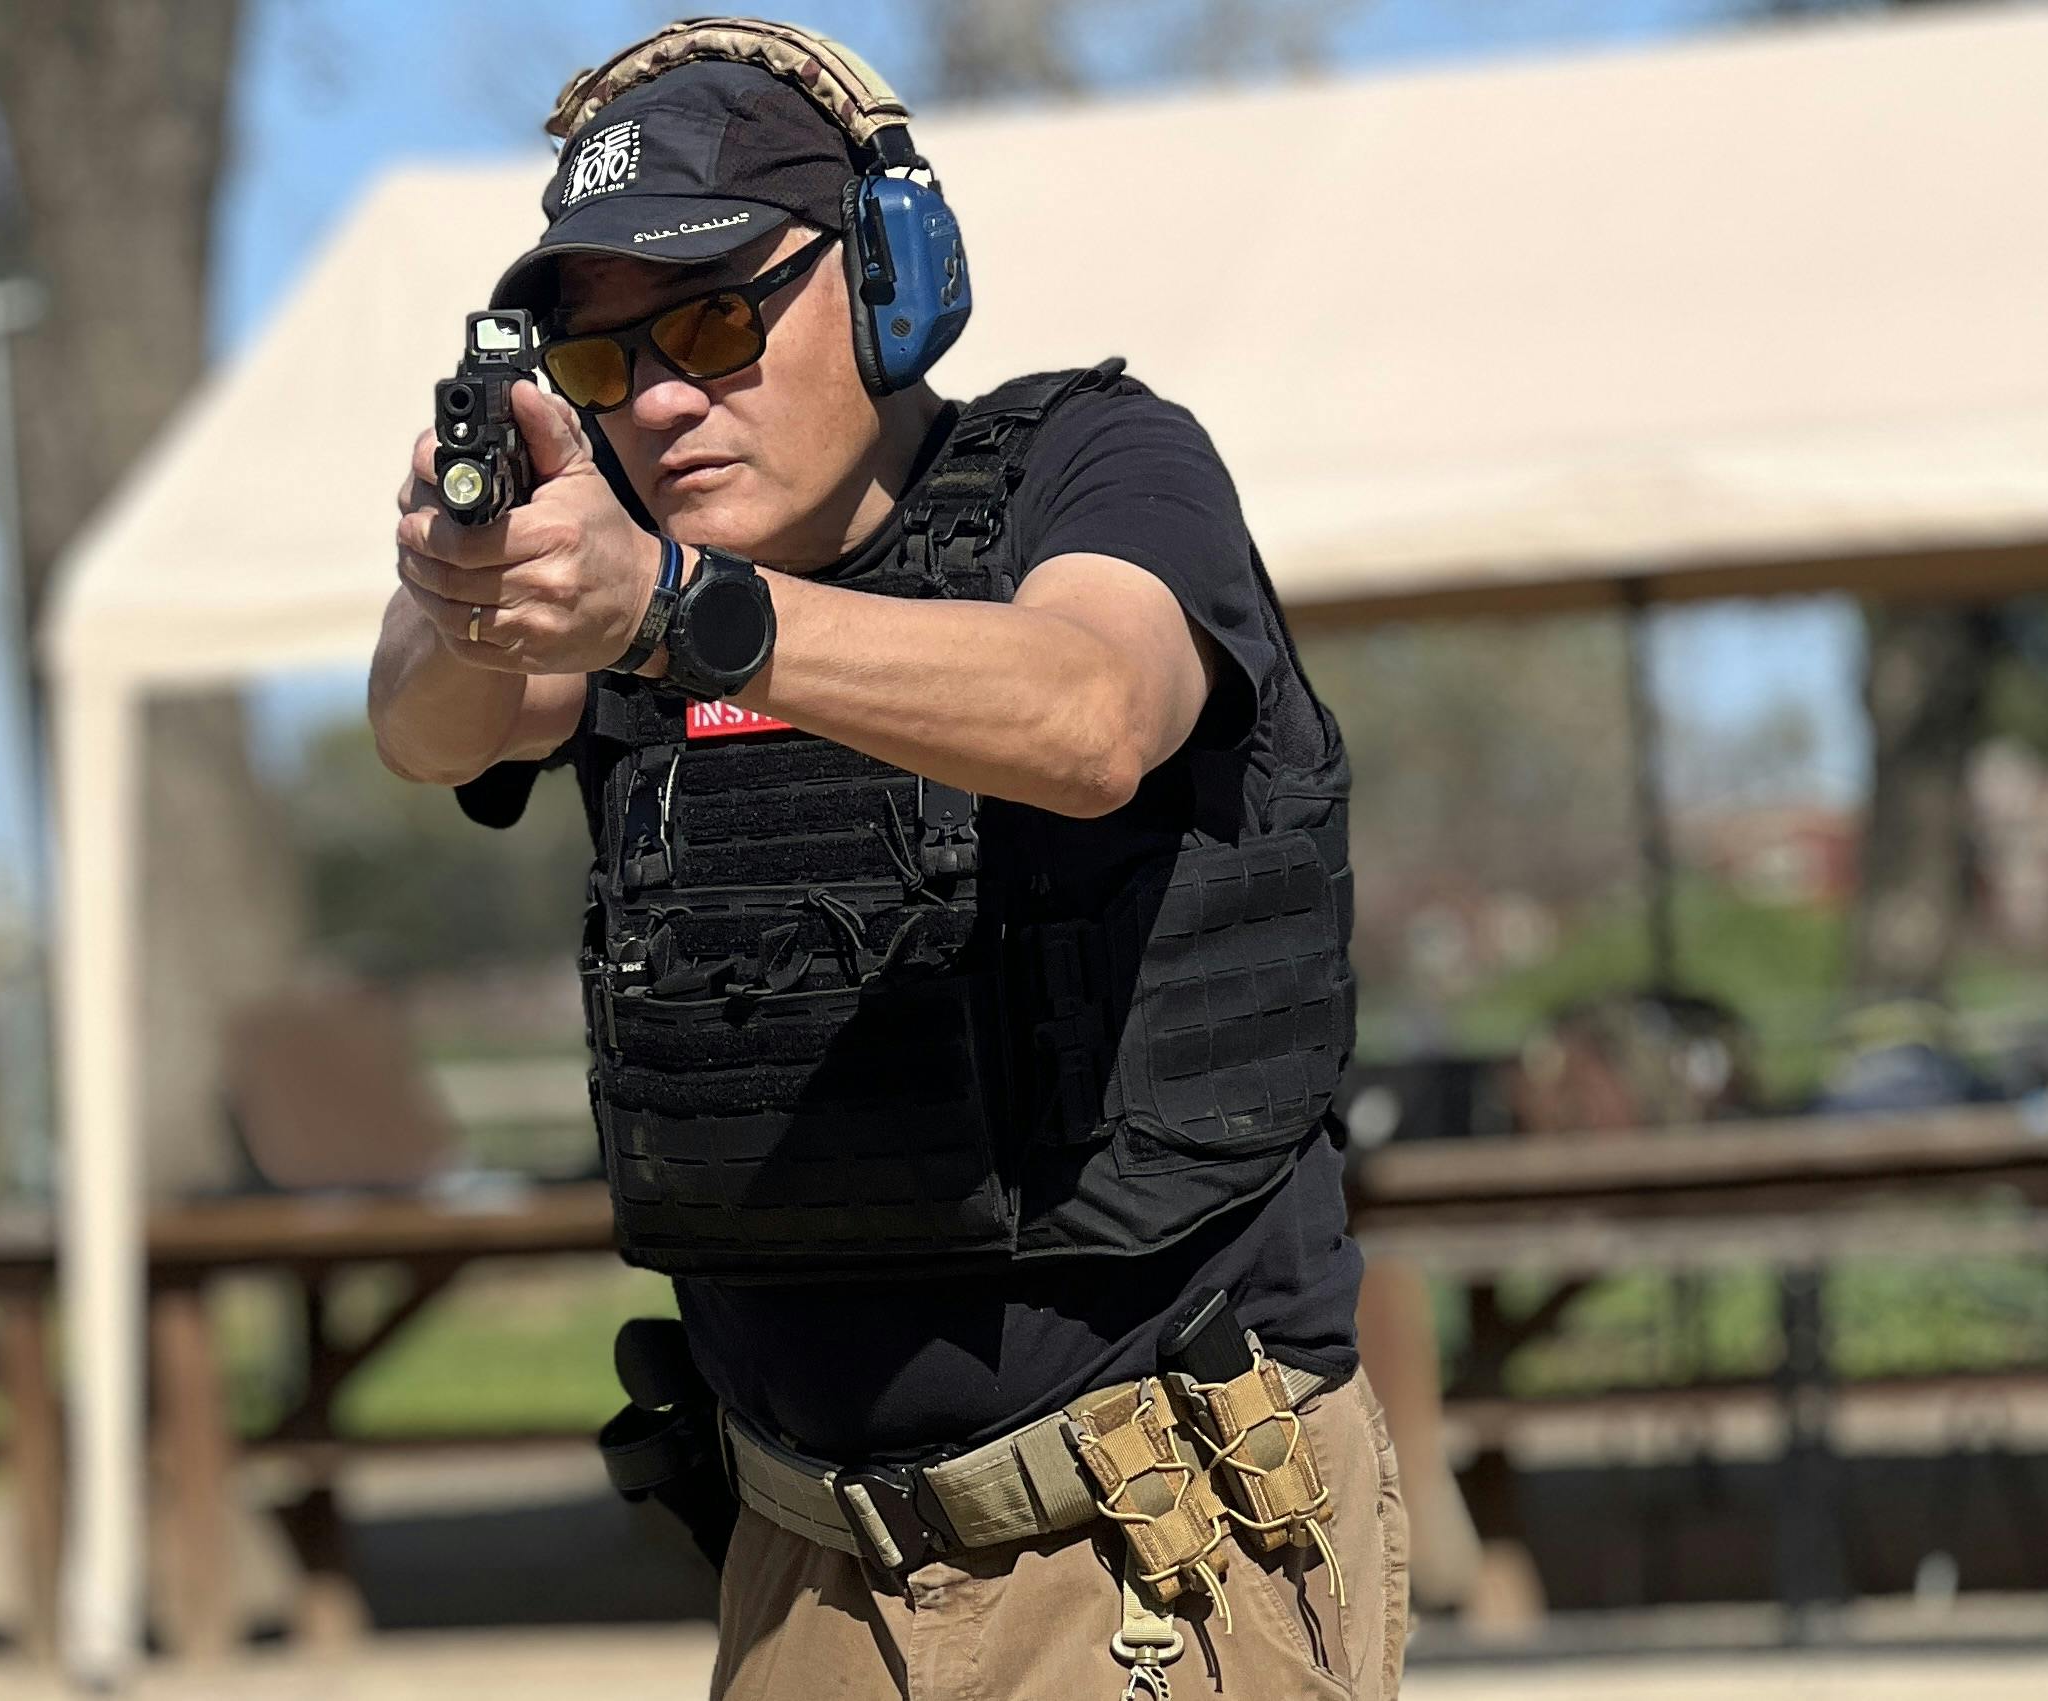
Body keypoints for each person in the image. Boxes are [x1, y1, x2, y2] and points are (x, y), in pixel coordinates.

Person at [365, 20, 1403, 1701]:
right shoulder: (638, 584)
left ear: (888, 278)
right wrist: (468, 578)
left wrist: (686, 615)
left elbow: (1088, 713)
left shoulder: (1100, 465)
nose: (674, 398)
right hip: (804, 1553)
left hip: (1154, 1520)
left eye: (713, 319)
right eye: (614, 363)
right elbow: (428, 725)